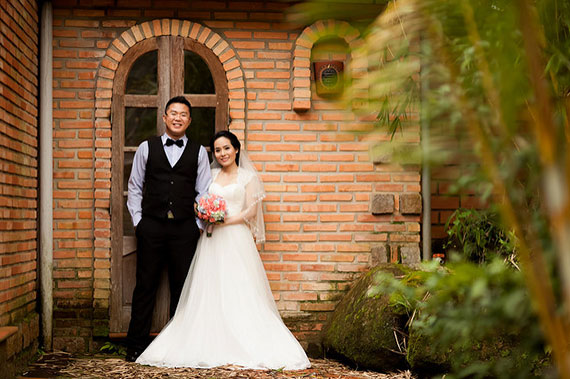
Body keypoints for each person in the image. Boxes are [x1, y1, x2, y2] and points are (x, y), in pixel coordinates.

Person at [135, 131, 311, 370]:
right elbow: (200, 198)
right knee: (208, 287)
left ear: (236, 149)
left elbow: (250, 212)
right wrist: (206, 215)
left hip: (235, 238)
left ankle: (241, 341)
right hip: (211, 240)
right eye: (217, 150)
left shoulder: (248, 177)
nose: (222, 154)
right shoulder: (212, 174)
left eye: (226, 148)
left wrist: (221, 221)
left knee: (238, 288)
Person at [125, 96, 212, 362]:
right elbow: (135, 187)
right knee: (145, 286)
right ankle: (136, 347)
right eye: (173, 113)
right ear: (164, 118)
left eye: (183, 114)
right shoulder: (146, 148)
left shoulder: (198, 152)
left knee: (181, 288)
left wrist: (197, 225)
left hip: (185, 229)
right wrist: (139, 222)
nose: (177, 118)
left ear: (189, 120)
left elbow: (203, 191)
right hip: (151, 226)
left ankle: (178, 349)